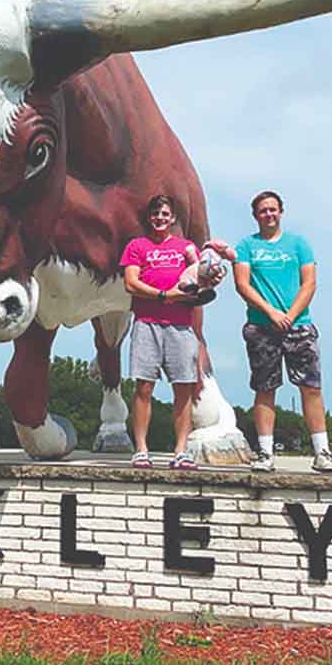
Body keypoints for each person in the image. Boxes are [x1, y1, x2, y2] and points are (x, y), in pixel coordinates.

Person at [205, 191, 332, 473]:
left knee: (311, 388)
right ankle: (265, 453)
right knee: (265, 388)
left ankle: (322, 452)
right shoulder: (247, 246)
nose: (269, 215)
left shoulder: (299, 244)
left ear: (281, 212)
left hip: (299, 324)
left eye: (273, 210)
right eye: (263, 211)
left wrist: (290, 316)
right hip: (261, 327)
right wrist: (271, 313)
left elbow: (309, 283)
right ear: (256, 216)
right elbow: (243, 285)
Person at [120, 194, 208, 470]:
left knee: (183, 387)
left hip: (181, 326)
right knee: (144, 386)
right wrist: (163, 295)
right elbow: (131, 283)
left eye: (165, 214)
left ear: (173, 219)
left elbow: (200, 274)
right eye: (156, 213)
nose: (160, 218)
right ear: (150, 217)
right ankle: (141, 449)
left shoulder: (185, 247)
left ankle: (181, 451)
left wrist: (206, 277)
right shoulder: (137, 246)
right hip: (146, 322)